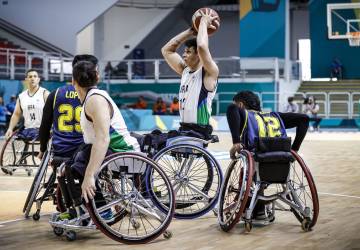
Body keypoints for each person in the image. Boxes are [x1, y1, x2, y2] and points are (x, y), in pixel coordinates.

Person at [66, 59, 140, 209]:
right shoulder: (91, 98)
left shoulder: (95, 100)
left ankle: (99, 210)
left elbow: (103, 139)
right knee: (70, 164)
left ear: (72, 81)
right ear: (97, 78)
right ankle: (79, 209)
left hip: (124, 152)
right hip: (112, 150)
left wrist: (89, 175)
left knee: (81, 163)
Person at [226, 90, 309, 220]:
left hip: (258, 161)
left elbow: (232, 108)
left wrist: (236, 141)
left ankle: (255, 208)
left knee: (249, 171)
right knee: (257, 171)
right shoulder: (275, 116)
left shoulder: (246, 115)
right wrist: (294, 150)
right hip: (281, 161)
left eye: (236, 104)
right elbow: (304, 119)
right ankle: (259, 208)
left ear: (241, 105)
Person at [161, 9, 219, 135]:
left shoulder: (209, 72)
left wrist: (203, 22)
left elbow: (202, 46)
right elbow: (167, 50)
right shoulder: (185, 71)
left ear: (198, 55)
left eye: (188, 52)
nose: (183, 54)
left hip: (199, 130)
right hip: (185, 128)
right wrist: (190, 31)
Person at [37, 54, 98, 160]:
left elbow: (45, 126)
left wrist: (42, 149)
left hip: (60, 149)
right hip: (85, 151)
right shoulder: (97, 97)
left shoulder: (55, 94)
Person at [5, 69, 49, 140]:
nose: (32, 78)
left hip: (43, 129)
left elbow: (53, 112)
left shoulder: (45, 93)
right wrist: (10, 129)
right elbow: (16, 114)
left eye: (35, 76)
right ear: (26, 80)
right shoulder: (21, 96)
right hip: (28, 130)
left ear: (38, 79)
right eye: (30, 77)